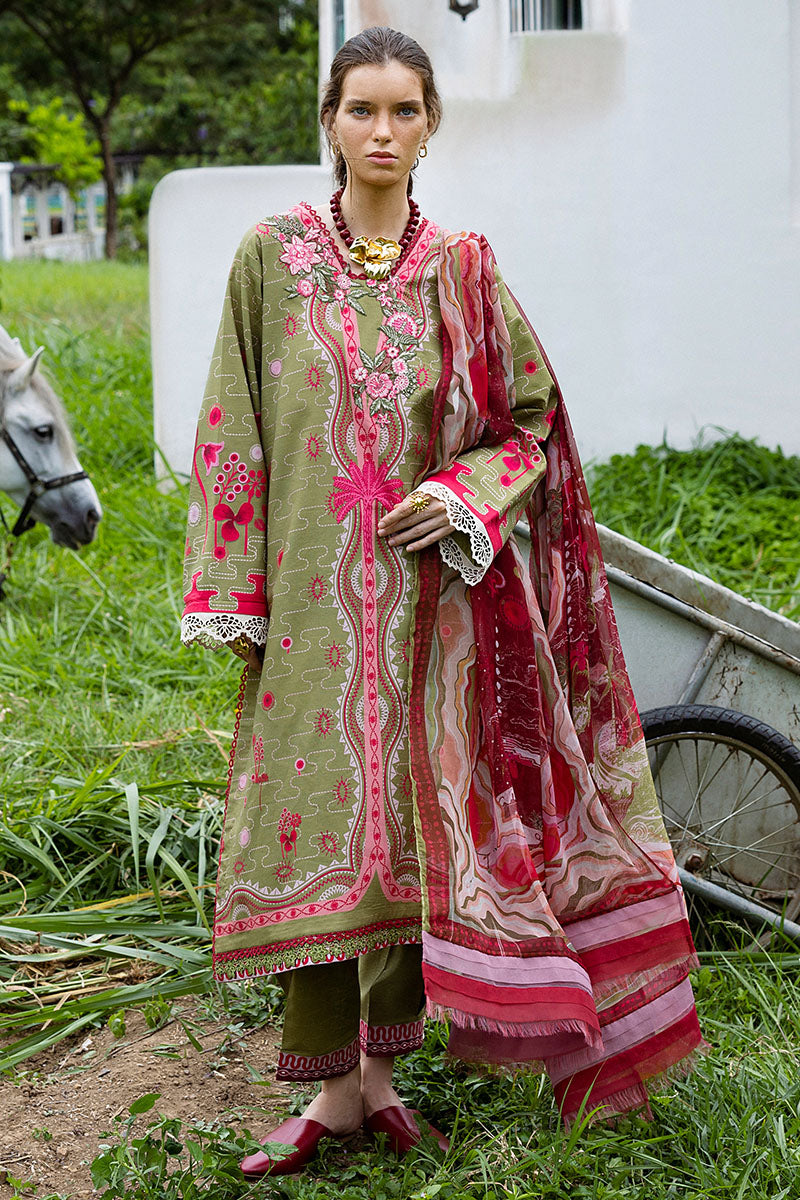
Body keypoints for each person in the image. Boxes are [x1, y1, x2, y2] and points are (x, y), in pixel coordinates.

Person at [180, 26, 706, 1180]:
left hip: (436, 611)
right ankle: (333, 1092)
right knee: (317, 832)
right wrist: (232, 591)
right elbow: (231, 422)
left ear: (429, 127)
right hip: (311, 610)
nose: (381, 131)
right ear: (329, 121)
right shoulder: (270, 257)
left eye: (403, 111)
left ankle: (378, 1080)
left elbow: (530, 420)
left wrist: (462, 493)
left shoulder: (463, 267)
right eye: (360, 109)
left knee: (416, 839)